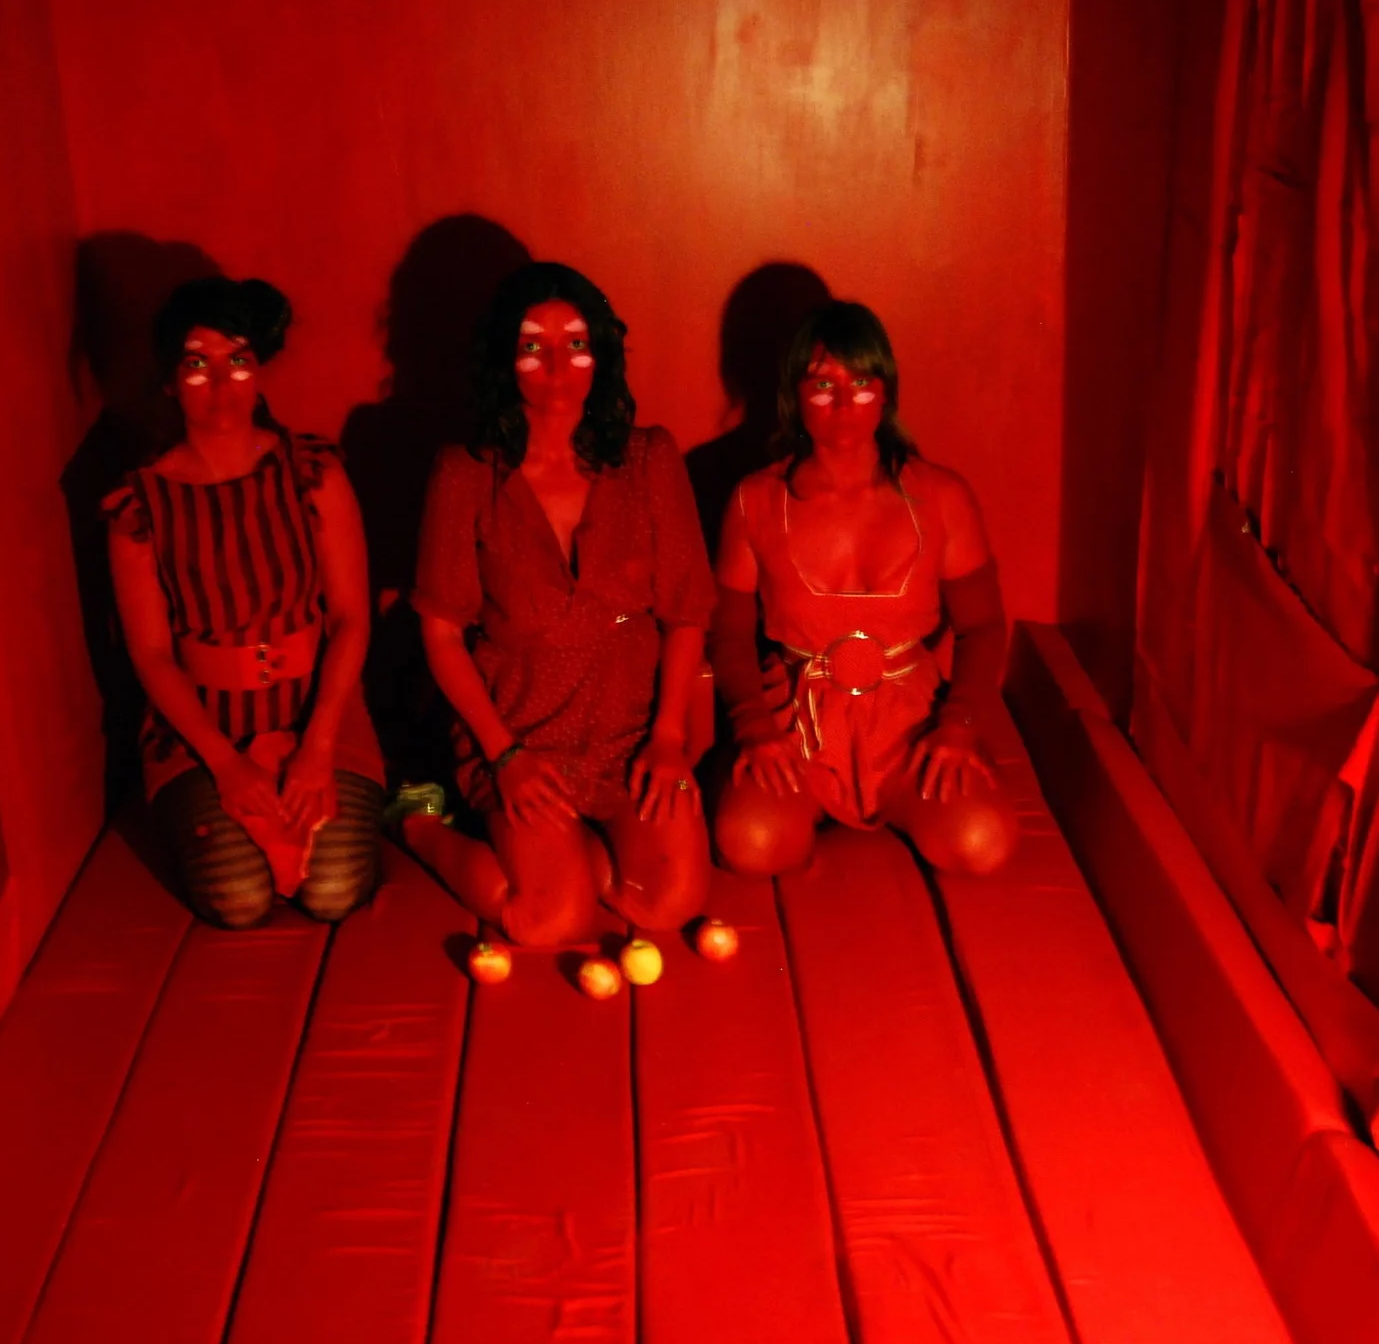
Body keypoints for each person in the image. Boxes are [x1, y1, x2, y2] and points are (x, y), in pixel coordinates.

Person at [397, 262, 715, 946]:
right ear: (504, 357)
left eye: (575, 343)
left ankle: (578, 858)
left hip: (632, 733)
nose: (556, 366)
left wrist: (668, 737)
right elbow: (441, 633)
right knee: (549, 922)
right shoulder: (465, 472)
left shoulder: (649, 459)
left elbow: (688, 612)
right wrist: (503, 755)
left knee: (670, 902)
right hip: (520, 734)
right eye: (532, 345)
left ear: (600, 353)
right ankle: (421, 824)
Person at [104, 276, 384, 927]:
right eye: (197, 364)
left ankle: (409, 808)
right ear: (170, 381)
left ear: (258, 370)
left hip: (317, 710)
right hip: (202, 728)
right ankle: (204, 814)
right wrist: (226, 765)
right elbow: (150, 653)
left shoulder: (313, 472)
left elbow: (351, 618)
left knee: (334, 889)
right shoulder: (139, 506)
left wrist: (318, 746)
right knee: (237, 898)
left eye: (238, 360)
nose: (221, 384)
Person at [709, 299, 1018, 876]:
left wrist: (958, 726)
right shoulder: (755, 500)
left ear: (886, 392)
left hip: (908, 726)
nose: (844, 403)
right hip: (797, 727)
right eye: (823, 384)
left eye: (862, 383)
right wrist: (753, 727)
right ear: (795, 395)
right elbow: (727, 629)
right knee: (751, 843)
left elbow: (983, 627)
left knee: (984, 843)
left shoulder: (942, 496)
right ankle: (795, 809)